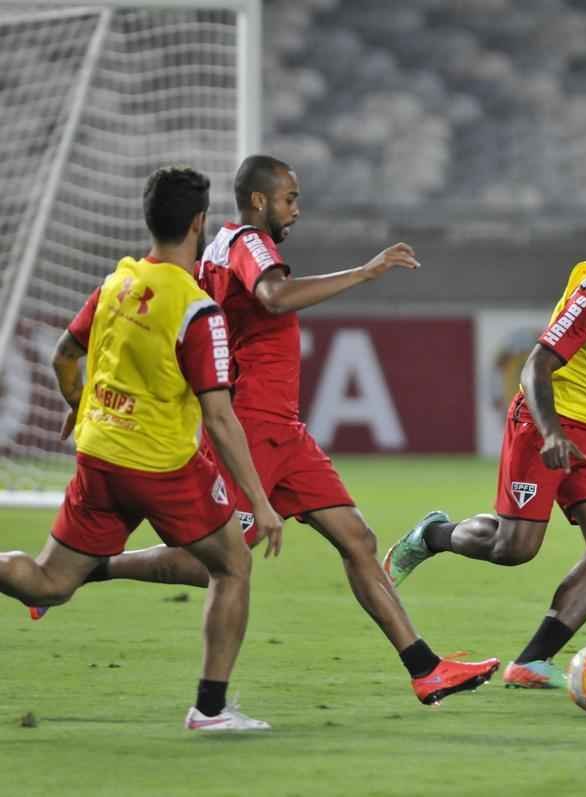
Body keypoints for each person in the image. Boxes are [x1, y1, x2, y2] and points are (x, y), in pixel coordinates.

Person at [59, 155, 499, 705]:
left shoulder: (214, 249)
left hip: (285, 432)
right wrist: (365, 271)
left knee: (357, 539)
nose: (298, 209)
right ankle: (88, 570)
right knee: (210, 564)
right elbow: (274, 295)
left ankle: (425, 669)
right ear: (261, 201)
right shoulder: (247, 241)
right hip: (254, 427)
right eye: (290, 198)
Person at [1, 166, 283, 731]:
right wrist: (262, 501)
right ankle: (210, 709)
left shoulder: (117, 282)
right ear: (199, 223)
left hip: (99, 454)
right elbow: (221, 419)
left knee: (52, 584)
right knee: (232, 564)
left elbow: (63, 354)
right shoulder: (197, 309)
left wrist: (79, 405)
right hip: (159, 464)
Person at [382, 198, 586, 690]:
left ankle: (531, 661)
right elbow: (534, 366)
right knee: (514, 548)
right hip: (545, 417)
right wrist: (551, 434)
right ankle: (432, 536)